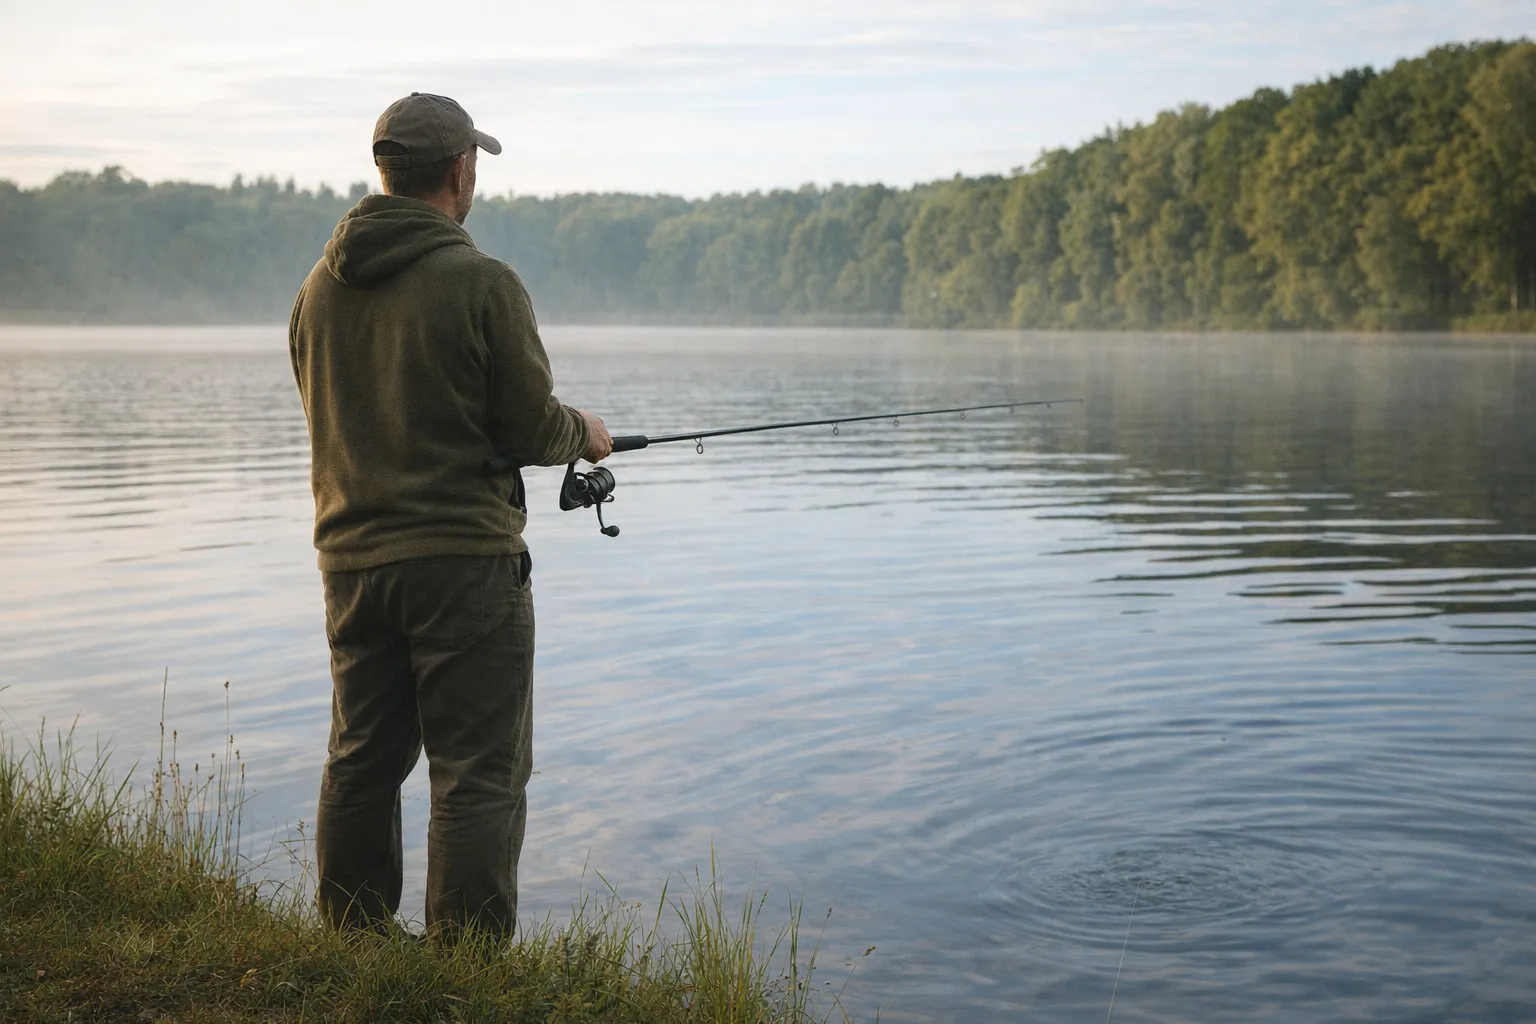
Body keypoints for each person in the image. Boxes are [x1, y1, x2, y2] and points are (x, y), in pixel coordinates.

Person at [287, 92, 613, 939]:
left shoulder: (316, 292)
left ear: (386, 169)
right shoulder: (483, 283)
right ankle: (464, 971)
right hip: (464, 567)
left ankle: (350, 943)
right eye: (476, 165)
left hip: (350, 564)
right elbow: (529, 426)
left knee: (361, 760)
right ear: (461, 169)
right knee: (478, 773)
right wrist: (588, 432)